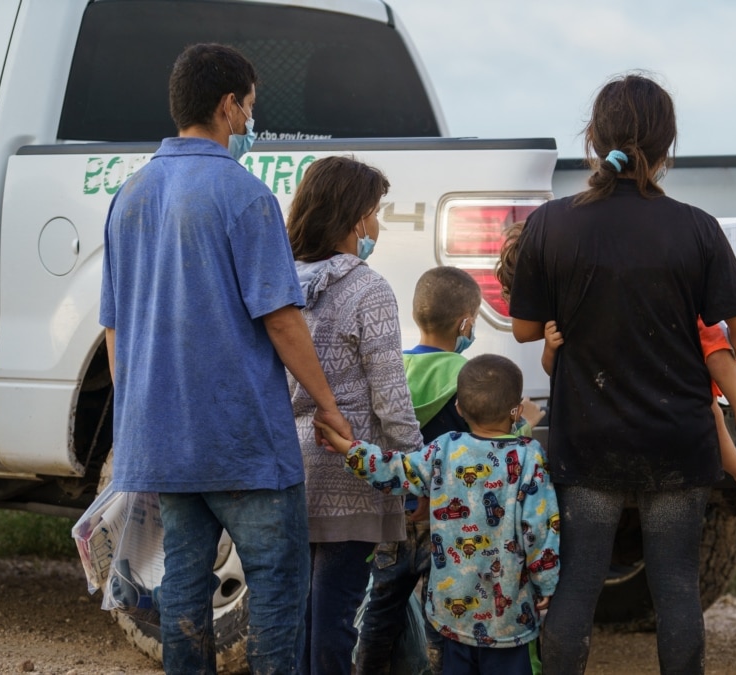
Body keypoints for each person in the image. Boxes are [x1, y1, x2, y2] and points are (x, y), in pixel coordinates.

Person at [99, 43, 352, 673]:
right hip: (244, 444)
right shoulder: (244, 195)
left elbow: (114, 330)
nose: (251, 121)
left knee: (182, 584)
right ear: (227, 107)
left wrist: (139, 415)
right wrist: (328, 406)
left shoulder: (128, 197)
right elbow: (282, 320)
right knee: (278, 582)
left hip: (164, 443)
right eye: (251, 107)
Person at [506, 73, 736, 674]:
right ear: (668, 144)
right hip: (677, 437)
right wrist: (696, 374)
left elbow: (524, 331)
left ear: (594, 139)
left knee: (578, 583)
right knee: (676, 584)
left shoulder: (551, 224)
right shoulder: (696, 226)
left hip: (588, 436)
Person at [497, 229, 736, 512]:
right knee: (712, 417)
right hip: (653, 390)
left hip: (679, 335)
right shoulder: (570, 302)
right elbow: (554, 372)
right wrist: (550, 349)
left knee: (717, 379)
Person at [320, 354, 559, 675]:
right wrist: (547, 583)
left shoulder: (443, 450)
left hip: (452, 614)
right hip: (509, 619)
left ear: (458, 408)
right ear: (515, 410)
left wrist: (351, 449)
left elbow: (395, 469)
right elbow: (540, 529)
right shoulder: (530, 457)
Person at [285, 155, 423, 674]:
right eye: (375, 211)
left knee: (295, 616)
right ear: (354, 218)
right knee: (337, 618)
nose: (378, 224)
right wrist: (413, 472)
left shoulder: (279, 285)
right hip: (352, 471)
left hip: (287, 473)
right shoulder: (369, 289)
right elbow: (391, 397)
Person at [354, 265, 480, 675]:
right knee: (443, 613)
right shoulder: (466, 378)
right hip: (446, 520)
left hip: (394, 515)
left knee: (382, 607)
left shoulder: (396, 372)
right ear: (465, 323)